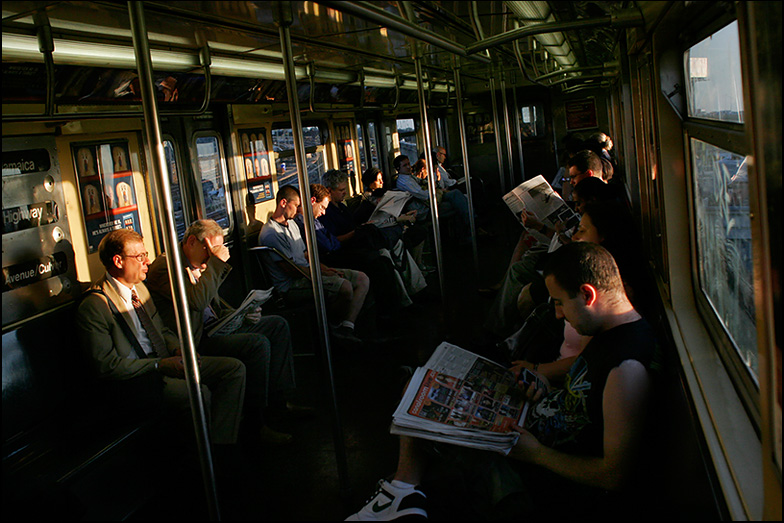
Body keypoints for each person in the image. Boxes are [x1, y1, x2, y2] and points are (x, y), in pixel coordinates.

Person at [346, 242, 657, 520]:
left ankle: (402, 492)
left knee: (417, 408)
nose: (559, 315)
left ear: (588, 294)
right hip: (534, 426)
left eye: (560, 302)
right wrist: (543, 389)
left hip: (537, 475)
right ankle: (402, 492)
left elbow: (612, 475)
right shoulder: (606, 333)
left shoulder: (626, 369)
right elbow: (580, 402)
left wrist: (536, 453)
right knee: (419, 383)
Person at [76, 228, 246, 446]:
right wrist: (159, 365)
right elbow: (107, 366)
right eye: (139, 257)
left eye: (145, 255)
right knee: (198, 393)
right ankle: (200, 456)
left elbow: (161, 331)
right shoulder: (95, 305)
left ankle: (221, 445)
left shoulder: (140, 290)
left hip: (166, 361)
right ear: (118, 261)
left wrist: (179, 350)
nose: (147, 261)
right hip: (139, 377)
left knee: (233, 370)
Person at [146, 219, 307, 446]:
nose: (211, 257)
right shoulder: (166, 268)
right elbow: (196, 301)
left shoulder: (198, 263)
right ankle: (256, 423)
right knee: (257, 344)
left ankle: (280, 401)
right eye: (210, 251)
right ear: (192, 241)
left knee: (276, 325)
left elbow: (214, 303)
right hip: (196, 340)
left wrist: (241, 312)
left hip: (215, 326)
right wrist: (215, 264)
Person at [258, 185, 370, 345]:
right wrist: (322, 273)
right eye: (296, 206)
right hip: (292, 286)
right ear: (284, 203)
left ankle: (347, 327)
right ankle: (332, 330)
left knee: (361, 279)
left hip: (307, 273)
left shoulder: (292, 225)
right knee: (344, 287)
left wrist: (325, 269)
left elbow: (306, 256)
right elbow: (291, 270)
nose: (298, 210)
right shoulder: (271, 233)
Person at [295, 182, 426, 317]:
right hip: (334, 256)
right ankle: (395, 309)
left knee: (388, 252)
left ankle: (411, 294)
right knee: (381, 261)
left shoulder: (323, 216)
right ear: (313, 201)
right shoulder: (307, 222)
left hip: (340, 249)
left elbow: (333, 239)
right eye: (322, 207)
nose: (323, 212)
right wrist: (356, 232)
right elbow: (329, 245)